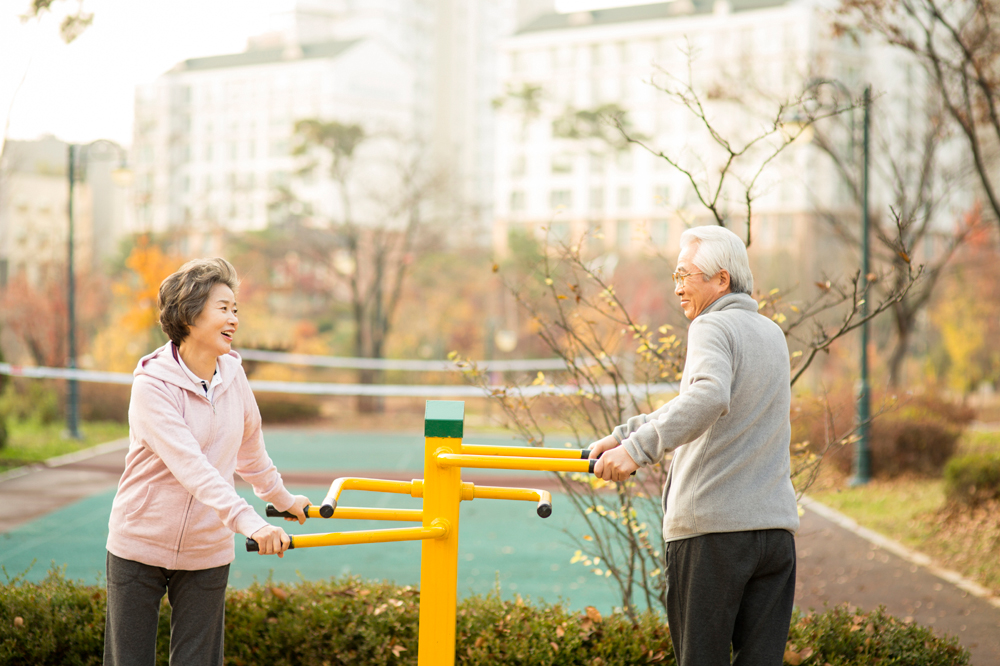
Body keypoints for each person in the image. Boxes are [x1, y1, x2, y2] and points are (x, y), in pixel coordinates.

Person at [590, 226, 799, 666]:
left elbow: (708, 397)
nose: (678, 287)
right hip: (774, 535)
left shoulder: (711, 325)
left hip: (713, 536)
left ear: (721, 280)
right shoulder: (770, 334)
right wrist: (628, 433)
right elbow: (717, 403)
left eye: (685, 275)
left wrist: (636, 451)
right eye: (675, 275)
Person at [104, 257, 311, 666]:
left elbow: (250, 452)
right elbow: (192, 468)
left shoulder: (234, 377)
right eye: (223, 308)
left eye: (236, 309)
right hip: (140, 542)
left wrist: (283, 499)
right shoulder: (152, 387)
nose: (234, 318)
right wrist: (250, 522)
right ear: (190, 313)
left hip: (207, 548)